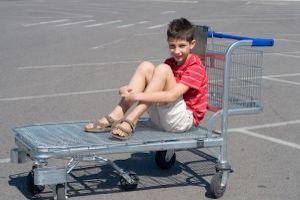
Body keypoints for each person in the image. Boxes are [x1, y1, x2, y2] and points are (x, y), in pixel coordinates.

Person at [84, 17, 208, 140]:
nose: (176, 51)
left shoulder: (195, 67)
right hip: (162, 116)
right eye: (172, 46)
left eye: (182, 46)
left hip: (182, 121)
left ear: (192, 44)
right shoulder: (170, 62)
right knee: (146, 66)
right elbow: (156, 87)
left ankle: (132, 119)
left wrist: (137, 95)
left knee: (162, 69)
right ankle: (117, 114)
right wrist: (128, 90)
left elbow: (172, 96)